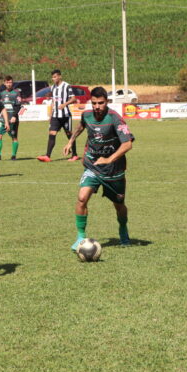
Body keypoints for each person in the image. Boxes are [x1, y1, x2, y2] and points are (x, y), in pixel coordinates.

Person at [64, 86, 134, 251]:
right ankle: (80, 237)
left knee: (119, 205)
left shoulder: (115, 118)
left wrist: (108, 159)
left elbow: (127, 144)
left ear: (107, 102)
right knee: (82, 198)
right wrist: (70, 141)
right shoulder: (87, 115)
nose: (97, 106)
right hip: (92, 165)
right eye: (94, 103)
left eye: (101, 103)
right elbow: (81, 126)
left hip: (113, 170)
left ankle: (123, 230)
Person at [37, 69, 79, 162]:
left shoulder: (66, 86)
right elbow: (53, 101)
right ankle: (47, 156)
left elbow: (74, 98)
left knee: (69, 134)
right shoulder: (53, 88)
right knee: (52, 133)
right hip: (56, 115)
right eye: (52, 77)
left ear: (60, 76)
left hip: (65, 115)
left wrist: (65, 104)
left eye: (55, 76)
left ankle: (75, 155)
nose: (54, 79)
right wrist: (51, 114)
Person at [0, 75, 21, 161]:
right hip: (2, 119)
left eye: (10, 82)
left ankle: (13, 155)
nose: (9, 84)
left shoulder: (16, 93)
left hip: (12, 118)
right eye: (7, 82)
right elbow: (0, 107)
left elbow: (18, 106)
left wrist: (14, 116)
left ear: (12, 83)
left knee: (14, 137)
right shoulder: (1, 94)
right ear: (4, 83)